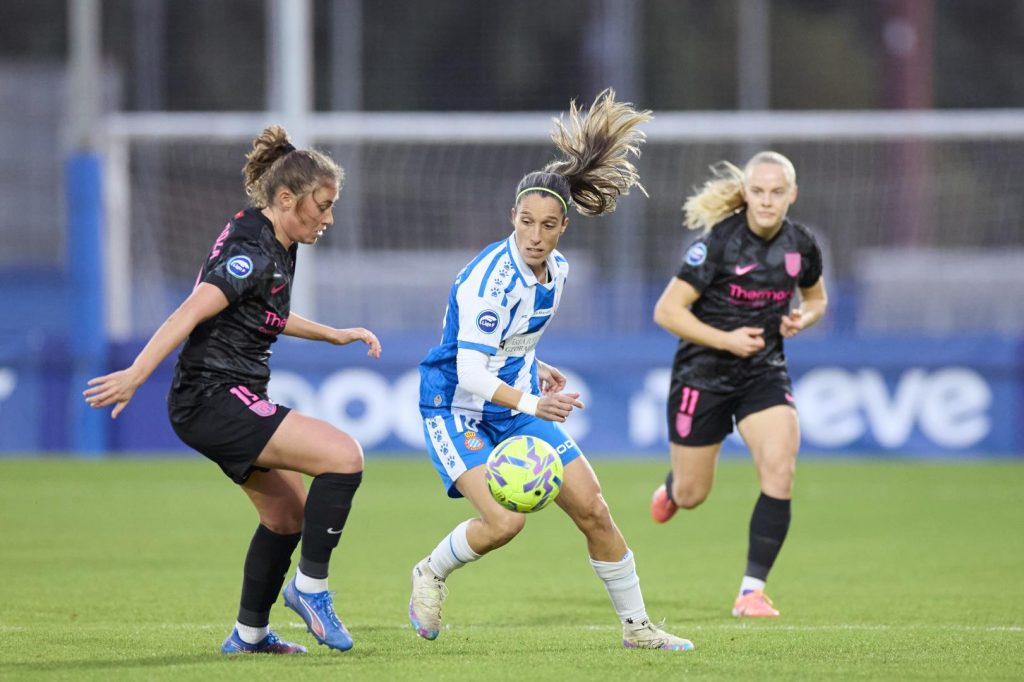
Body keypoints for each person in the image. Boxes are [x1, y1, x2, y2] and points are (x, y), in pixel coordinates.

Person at [408, 89, 693, 652]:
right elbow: (468, 368)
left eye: (548, 225)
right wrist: (534, 403)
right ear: (512, 216)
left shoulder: (556, 271)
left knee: (594, 508)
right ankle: (430, 571)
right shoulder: (492, 279)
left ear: (564, 226)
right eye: (526, 222)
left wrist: (538, 367)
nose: (535, 236)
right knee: (504, 524)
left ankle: (637, 630)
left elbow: (512, 341)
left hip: (510, 400)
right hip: (456, 404)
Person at [83, 125, 381, 655]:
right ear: (287, 199)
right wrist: (136, 373)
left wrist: (332, 333)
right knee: (344, 456)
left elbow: (265, 309)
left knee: (286, 516)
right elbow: (193, 307)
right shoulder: (252, 250)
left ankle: (249, 636)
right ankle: (311, 590)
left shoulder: (272, 236)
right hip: (213, 396)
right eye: (324, 204)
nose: (329, 218)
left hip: (222, 396)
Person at [649, 151, 828, 618]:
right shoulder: (718, 244)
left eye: (777, 192)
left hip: (762, 373)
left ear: (792, 195)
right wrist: (725, 339)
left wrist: (800, 320)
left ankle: (752, 591)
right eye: (758, 191)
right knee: (692, 495)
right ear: (745, 193)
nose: (767, 201)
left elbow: (817, 298)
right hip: (702, 375)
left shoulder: (801, 245)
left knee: (781, 470)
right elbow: (667, 312)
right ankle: (672, 490)